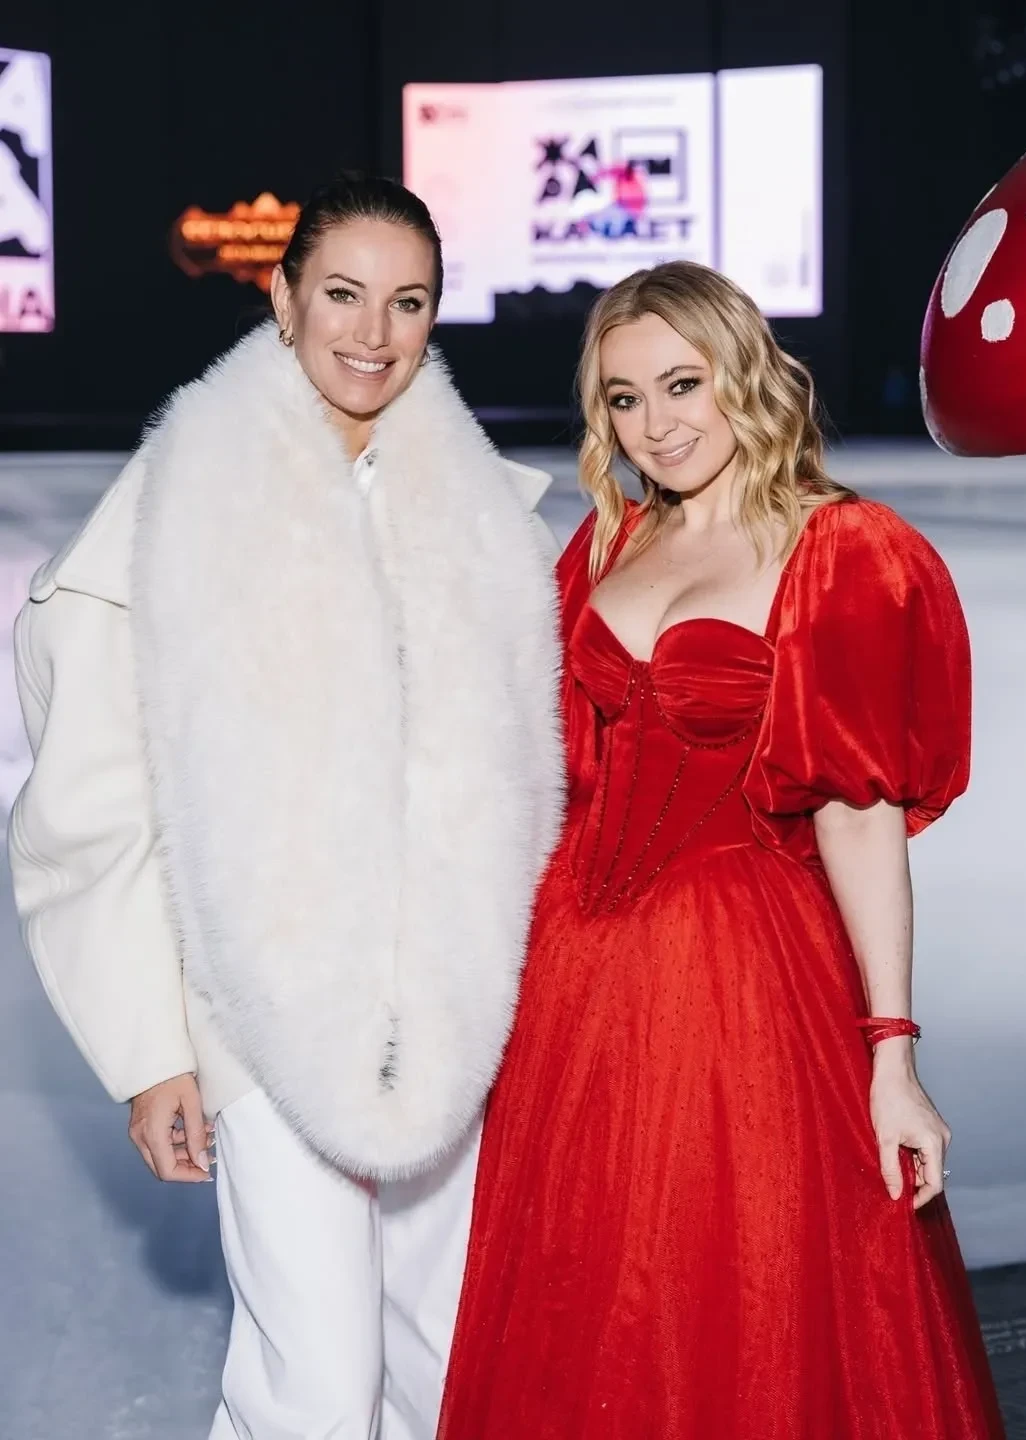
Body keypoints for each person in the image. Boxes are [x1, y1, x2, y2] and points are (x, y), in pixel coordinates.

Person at [8, 171, 563, 1439]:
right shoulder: (182, 499)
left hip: (455, 997)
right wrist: (151, 1051)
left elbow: (533, 775)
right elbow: (94, 796)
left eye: (407, 302)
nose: (373, 334)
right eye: (344, 295)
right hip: (260, 997)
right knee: (312, 1379)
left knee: (448, 1357)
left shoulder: (486, 515)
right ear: (283, 296)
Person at [437, 260, 1005, 1439]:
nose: (656, 423)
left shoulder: (840, 548)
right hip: (572, 985)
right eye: (625, 398)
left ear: (744, 372)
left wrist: (891, 1053)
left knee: (744, 1294)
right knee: (584, 1299)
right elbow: (541, 776)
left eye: (682, 383)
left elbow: (856, 813)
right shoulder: (605, 547)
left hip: (739, 985)